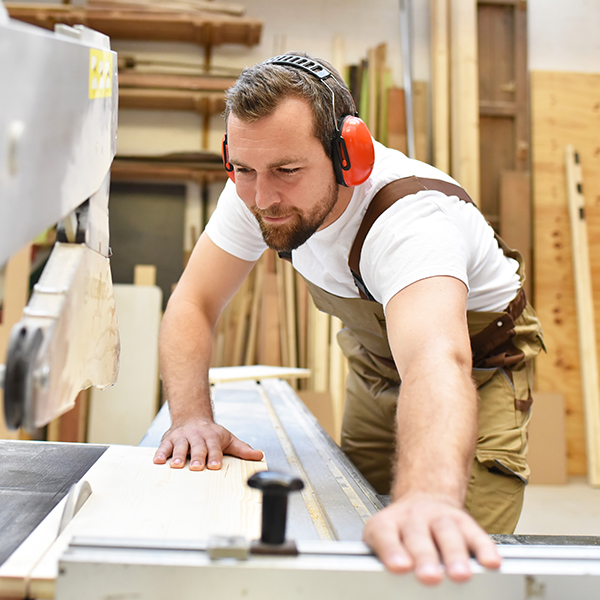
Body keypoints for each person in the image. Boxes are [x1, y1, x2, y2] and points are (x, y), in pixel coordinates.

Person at [153, 52, 544, 585]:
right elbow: (193, 303)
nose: (263, 198)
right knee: (345, 523)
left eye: (287, 171)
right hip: (375, 367)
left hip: (473, 373)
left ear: (349, 155)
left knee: (446, 563)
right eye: (242, 169)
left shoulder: (411, 220)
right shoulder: (259, 189)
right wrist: (191, 418)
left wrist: (428, 497)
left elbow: (436, 360)